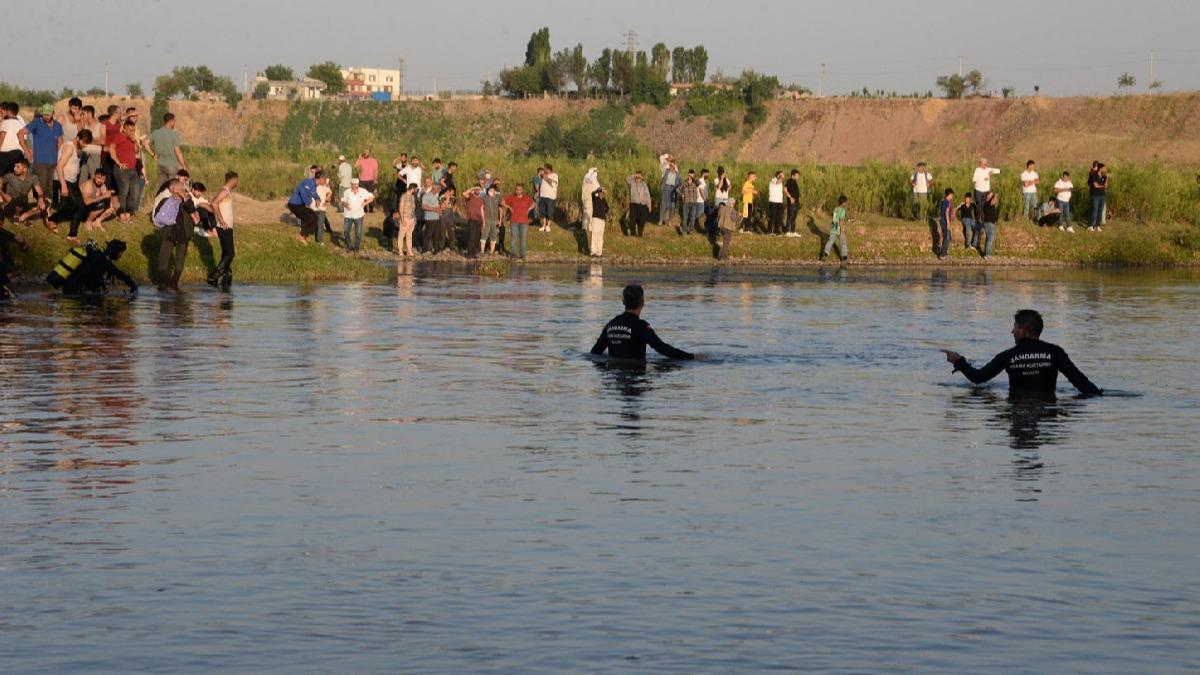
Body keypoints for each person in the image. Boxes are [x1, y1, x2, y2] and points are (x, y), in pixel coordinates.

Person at [941, 309, 1102, 396]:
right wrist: (1100, 394)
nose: (1012, 331)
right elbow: (1081, 383)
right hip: (1047, 412)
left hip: (1016, 407)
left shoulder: (1009, 356)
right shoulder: (1055, 352)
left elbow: (978, 378)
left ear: (1025, 330)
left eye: (1015, 327)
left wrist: (958, 360)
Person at [591, 284, 695, 361]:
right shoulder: (641, 326)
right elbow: (662, 348)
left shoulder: (611, 324)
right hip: (637, 378)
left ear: (623, 302)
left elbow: (595, 353)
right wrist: (692, 357)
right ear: (642, 302)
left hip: (615, 378)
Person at [152, 178, 197, 291]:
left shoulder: (186, 202)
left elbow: (191, 208)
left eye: (182, 189)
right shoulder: (165, 201)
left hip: (183, 235)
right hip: (169, 234)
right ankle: (164, 282)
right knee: (163, 262)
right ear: (172, 190)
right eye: (178, 189)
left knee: (179, 265)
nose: (180, 192)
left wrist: (183, 195)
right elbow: (158, 216)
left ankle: (174, 282)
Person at [46, 239, 137, 295]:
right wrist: (132, 284)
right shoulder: (104, 261)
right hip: (76, 290)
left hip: (68, 286)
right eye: (120, 253)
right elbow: (118, 273)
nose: (120, 256)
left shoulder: (96, 254)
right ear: (115, 251)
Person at [25, 104, 63, 208]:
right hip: (37, 160)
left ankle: (45, 208)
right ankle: (40, 207)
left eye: (48, 114)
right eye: (43, 114)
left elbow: (59, 142)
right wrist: (28, 152)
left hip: (48, 160)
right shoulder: (35, 126)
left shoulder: (56, 126)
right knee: (39, 185)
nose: (44, 117)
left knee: (46, 186)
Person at [208, 171, 238, 289]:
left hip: (227, 228)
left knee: (226, 253)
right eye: (236, 181)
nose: (237, 183)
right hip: (224, 227)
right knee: (230, 254)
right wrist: (221, 220)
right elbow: (214, 203)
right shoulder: (224, 191)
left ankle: (226, 280)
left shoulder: (227, 192)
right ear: (232, 180)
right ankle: (213, 277)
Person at [1, 158, 49, 228]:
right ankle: (20, 216)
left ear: (25, 169)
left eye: (17, 167)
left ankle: (23, 216)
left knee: (46, 202)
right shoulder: (10, 176)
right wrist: (1, 192)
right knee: (22, 197)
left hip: (23, 205)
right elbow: (1, 180)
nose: (14, 169)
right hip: (10, 204)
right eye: (14, 166)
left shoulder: (33, 178)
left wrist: (41, 199)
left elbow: (40, 191)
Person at [108, 120, 141, 221]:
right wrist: (118, 162)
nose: (132, 132)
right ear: (125, 129)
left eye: (133, 130)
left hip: (133, 170)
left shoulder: (132, 139)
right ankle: (121, 213)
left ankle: (129, 212)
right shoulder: (119, 136)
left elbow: (136, 151)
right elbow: (111, 148)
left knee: (134, 192)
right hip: (122, 170)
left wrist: (135, 141)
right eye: (130, 130)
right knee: (124, 192)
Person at [287, 171, 324, 245]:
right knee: (311, 217)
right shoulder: (309, 182)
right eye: (325, 179)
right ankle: (302, 236)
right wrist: (307, 203)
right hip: (294, 204)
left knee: (312, 217)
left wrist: (317, 198)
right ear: (321, 179)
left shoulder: (314, 184)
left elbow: (313, 193)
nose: (326, 181)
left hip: (300, 205)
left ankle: (304, 237)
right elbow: (302, 191)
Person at [150, 113, 186, 185]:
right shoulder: (174, 134)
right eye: (174, 121)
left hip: (160, 165)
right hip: (172, 165)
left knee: (163, 188)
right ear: (171, 121)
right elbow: (177, 151)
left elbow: (145, 142)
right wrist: (183, 166)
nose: (175, 123)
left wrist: (152, 154)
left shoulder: (156, 132)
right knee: (172, 188)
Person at [502, 183, 534, 260]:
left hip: (524, 222)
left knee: (523, 239)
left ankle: (522, 255)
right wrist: (509, 207)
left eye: (519, 189)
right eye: (516, 189)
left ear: (522, 190)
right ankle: (513, 255)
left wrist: (528, 210)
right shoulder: (511, 198)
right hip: (514, 221)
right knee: (513, 238)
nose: (517, 191)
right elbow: (502, 202)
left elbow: (533, 204)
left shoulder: (526, 198)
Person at [340, 177, 373, 252]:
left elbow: (371, 197)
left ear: (358, 185)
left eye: (356, 185)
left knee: (358, 233)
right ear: (351, 185)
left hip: (359, 215)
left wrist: (365, 203)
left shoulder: (363, 191)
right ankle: (349, 245)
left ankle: (356, 248)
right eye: (353, 185)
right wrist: (345, 205)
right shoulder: (347, 192)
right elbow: (342, 201)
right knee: (346, 231)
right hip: (348, 215)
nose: (355, 187)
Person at [0, 102, 31, 177]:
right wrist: (26, 151)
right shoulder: (21, 123)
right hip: (18, 154)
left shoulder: (5, 123)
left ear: (8, 111)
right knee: (13, 177)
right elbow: (24, 140)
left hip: (5, 154)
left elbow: (2, 137)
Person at [820, 195, 849, 262]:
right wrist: (842, 231)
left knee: (830, 241)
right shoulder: (842, 210)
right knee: (843, 242)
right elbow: (841, 221)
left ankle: (825, 254)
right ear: (844, 202)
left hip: (833, 228)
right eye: (846, 202)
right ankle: (844, 257)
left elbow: (834, 218)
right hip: (839, 229)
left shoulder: (835, 209)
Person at [626, 170, 652, 237]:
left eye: (639, 176)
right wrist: (634, 175)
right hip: (634, 203)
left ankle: (640, 233)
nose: (638, 178)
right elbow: (627, 179)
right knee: (633, 219)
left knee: (642, 220)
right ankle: (633, 234)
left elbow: (647, 195)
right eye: (637, 176)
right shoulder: (632, 183)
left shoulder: (644, 184)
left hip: (642, 204)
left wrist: (649, 205)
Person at [658, 154, 680, 227]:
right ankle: (661, 220)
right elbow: (661, 158)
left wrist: (678, 191)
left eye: (672, 166)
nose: (671, 167)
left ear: (675, 166)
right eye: (670, 165)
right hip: (666, 188)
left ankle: (670, 221)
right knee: (663, 205)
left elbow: (679, 183)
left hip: (673, 189)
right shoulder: (665, 170)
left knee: (672, 206)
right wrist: (667, 155)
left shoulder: (677, 173)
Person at [481, 182, 503, 255]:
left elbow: (501, 209)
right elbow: (481, 208)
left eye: (493, 190)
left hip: (495, 220)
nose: (491, 191)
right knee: (484, 235)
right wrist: (483, 219)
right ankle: (482, 251)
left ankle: (491, 252)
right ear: (488, 190)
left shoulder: (497, 198)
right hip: (486, 220)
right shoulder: (485, 198)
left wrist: (500, 220)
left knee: (494, 236)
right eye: (490, 190)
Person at [678, 170, 702, 235]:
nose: (691, 176)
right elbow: (678, 189)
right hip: (686, 202)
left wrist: (693, 178)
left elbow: (699, 183)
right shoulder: (684, 182)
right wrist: (681, 194)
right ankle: (684, 230)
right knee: (685, 216)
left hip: (693, 202)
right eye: (690, 174)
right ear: (688, 174)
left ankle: (691, 230)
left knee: (692, 216)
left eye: (692, 174)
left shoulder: (695, 182)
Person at [464, 185, 485, 257]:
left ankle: (474, 252)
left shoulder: (481, 199)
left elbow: (482, 210)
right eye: (476, 189)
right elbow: (464, 193)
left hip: (479, 220)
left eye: (479, 189)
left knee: (477, 237)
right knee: (472, 236)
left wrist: (483, 221)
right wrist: (473, 188)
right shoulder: (470, 196)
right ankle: (469, 253)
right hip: (472, 219)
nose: (477, 190)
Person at [537, 163, 558, 232]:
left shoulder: (555, 175)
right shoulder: (542, 176)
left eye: (544, 168)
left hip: (550, 197)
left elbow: (552, 184)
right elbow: (540, 184)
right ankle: (543, 226)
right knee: (542, 212)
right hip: (542, 196)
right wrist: (538, 192)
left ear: (548, 169)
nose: (543, 169)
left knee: (550, 212)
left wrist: (545, 177)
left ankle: (548, 226)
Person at [589, 186, 609, 258]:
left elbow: (607, 208)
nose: (601, 194)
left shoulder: (604, 200)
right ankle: (593, 252)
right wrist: (599, 189)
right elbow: (592, 194)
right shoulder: (595, 198)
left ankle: (599, 252)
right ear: (598, 193)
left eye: (602, 192)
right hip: (595, 219)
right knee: (594, 235)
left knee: (600, 236)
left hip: (602, 220)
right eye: (600, 192)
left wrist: (604, 212)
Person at [979, 192, 1000, 258]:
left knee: (989, 239)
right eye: (990, 196)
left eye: (992, 196)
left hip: (991, 223)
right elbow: (993, 201)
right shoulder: (987, 203)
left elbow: (995, 201)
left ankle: (986, 253)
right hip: (989, 223)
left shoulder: (991, 204)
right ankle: (988, 254)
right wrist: (995, 195)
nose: (992, 197)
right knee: (990, 238)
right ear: (987, 196)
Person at [936, 188, 954, 259]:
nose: (952, 197)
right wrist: (948, 223)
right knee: (947, 238)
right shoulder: (948, 202)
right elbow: (946, 213)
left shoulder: (943, 201)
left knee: (948, 237)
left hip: (942, 222)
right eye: (952, 195)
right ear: (949, 195)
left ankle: (945, 252)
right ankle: (942, 254)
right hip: (945, 222)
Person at [1089, 163, 1107, 232]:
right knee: (1095, 211)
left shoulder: (1103, 176)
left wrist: (1106, 177)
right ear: (1100, 168)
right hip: (1095, 196)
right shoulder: (1094, 175)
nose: (1105, 169)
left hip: (1102, 195)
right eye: (1104, 168)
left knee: (1100, 211)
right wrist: (1103, 186)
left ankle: (1097, 225)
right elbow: (1095, 185)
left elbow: (1106, 185)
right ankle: (1091, 225)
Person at [767, 171, 786, 235]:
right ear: (778, 175)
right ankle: (769, 231)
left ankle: (776, 231)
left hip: (779, 202)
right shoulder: (773, 180)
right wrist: (781, 177)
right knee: (772, 216)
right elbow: (777, 182)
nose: (783, 176)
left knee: (779, 217)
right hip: (773, 201)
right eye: (782, 175)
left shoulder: (781, 182)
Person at [785, 169, 801, 236]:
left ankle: (793, 231)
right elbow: (785, 189)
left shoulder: (795, 182)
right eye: (797, 175)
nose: (798, 177)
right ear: (793, 175)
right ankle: (788, 232)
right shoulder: (790, 181)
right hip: (791, 203)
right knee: (790, 216)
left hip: (796, 202)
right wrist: (790, 197)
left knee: (794, 217)